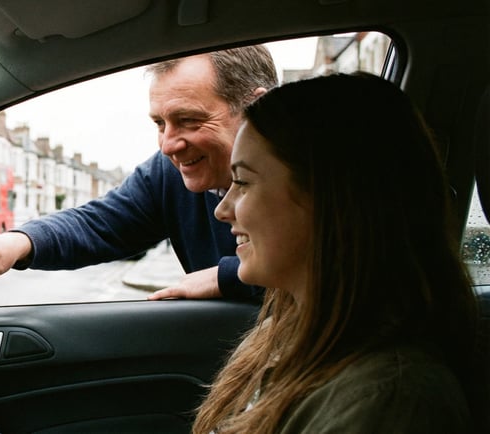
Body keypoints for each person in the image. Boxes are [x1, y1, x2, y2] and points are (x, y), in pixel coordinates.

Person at [193, 73, 486, 433]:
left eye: (243, 182)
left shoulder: (387, 401)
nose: (223, 210)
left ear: (330, 198)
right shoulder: (284, 332)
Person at [0, 46, 277, 300]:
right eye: (159, 123)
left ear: (256, 109)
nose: (168, 145)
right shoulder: (168, 175)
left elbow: (326, 262)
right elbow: (101, 223)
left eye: (188, 121)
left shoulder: (317, 175)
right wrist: (17, 242)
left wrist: (226, 276)